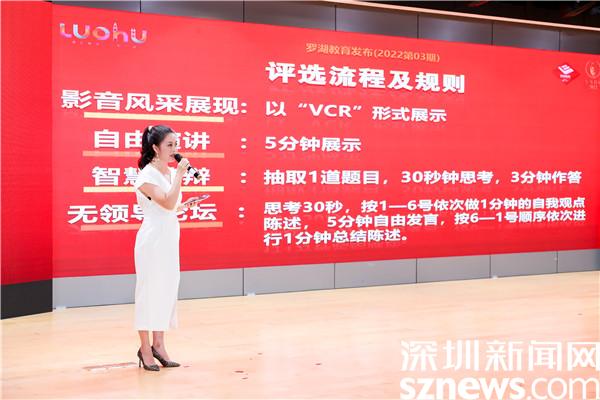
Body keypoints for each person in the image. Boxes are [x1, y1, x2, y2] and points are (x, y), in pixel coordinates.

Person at [133, 125, 204, 371]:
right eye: (170, 145)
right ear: (155, 148)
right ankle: (145, 349)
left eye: (176, 145)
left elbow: (171, 207)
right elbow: (165, 202)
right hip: (152, 240)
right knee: (148, 292)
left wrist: (185, 205)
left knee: (166, 288)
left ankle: (159, 345)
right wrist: (181, 176)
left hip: (169, 237)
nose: (175, 150)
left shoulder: (169, 173)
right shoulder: (146, 176)